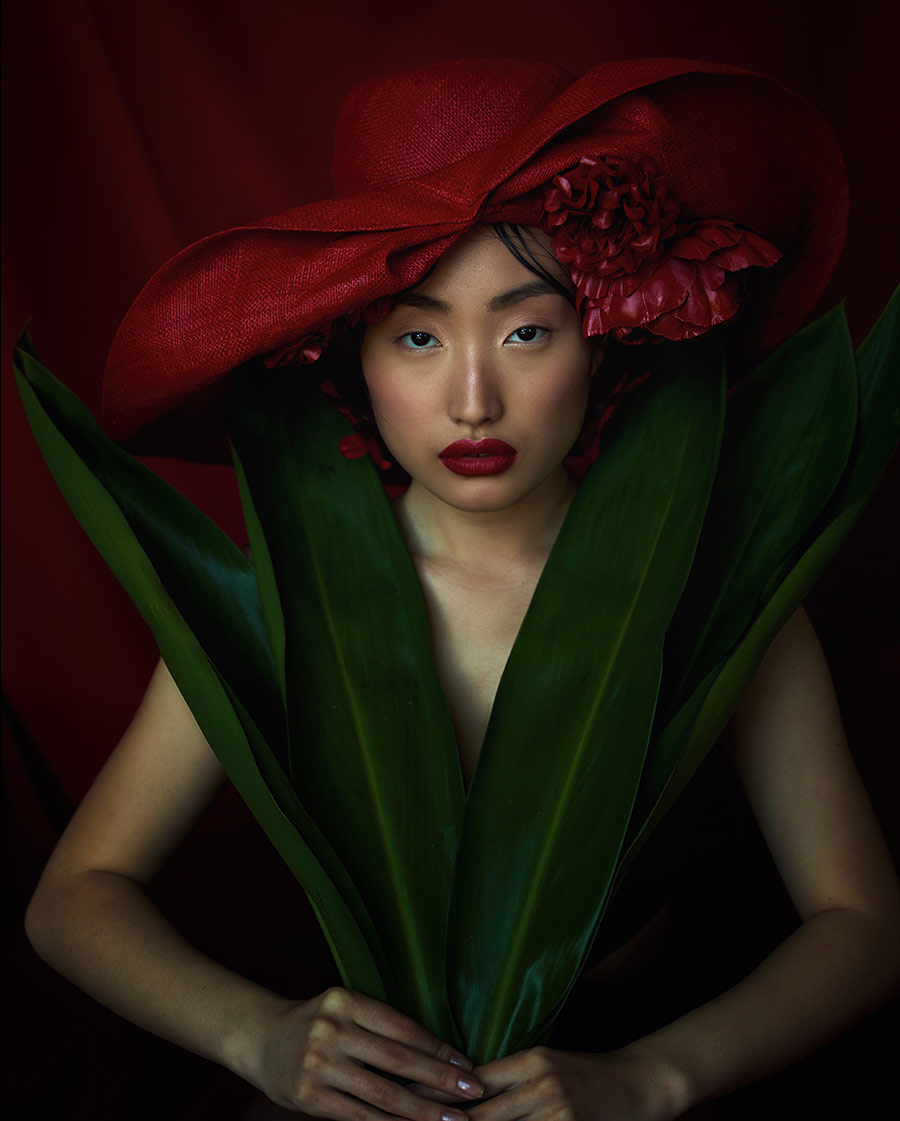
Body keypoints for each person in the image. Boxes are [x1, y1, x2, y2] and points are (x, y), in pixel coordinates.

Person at [24, 58, 900, 1120]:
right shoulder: (290, 598)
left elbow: (863, 922)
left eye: (526, 330)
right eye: (419, 336)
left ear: (602, 336)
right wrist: (256, 1033)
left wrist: (654, 1077)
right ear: (356, 356)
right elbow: (72, 896)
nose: (473, 399)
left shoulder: (708, 591)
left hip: (639, 1065)